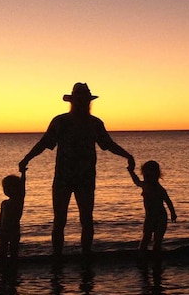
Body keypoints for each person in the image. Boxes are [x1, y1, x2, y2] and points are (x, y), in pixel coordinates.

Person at [19, 82, 135, 259]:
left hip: (86, 179)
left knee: (86, 220)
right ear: (73, 101)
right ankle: (57, 257)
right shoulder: (61, 122)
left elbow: (108, 144)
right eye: (79, 99)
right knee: (60, 220)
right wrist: (27, 158)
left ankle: (86, 256)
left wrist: (127, 155)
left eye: (85, 99)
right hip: (63, 178)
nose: (82, 103)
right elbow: (44, 143)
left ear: (88, 101)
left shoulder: (95, 124)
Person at [128, 160, 177, 260]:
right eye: (145, 175)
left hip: (160, 217)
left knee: (157, 241)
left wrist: (173, 213)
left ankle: (155, 259)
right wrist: (131, 172)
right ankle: (142, 257)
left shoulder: (160, 189)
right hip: (149, 217)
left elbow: (168, 201)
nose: (147, 178)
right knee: (146, 238)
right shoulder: (145, 185)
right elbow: (136, 182)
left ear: (157, 175)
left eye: (150, 176)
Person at [0, 168, 26, 266]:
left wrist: (23, 174)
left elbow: (23, 186)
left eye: (9, 188)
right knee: (2, 251)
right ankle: (3, 264)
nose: (6, 191)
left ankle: (13, 265)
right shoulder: (4, 203)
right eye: (5, 189)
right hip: (3, 230)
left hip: (14, 230)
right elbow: (1, 216)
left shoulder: (19, 200)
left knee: (13, 251)